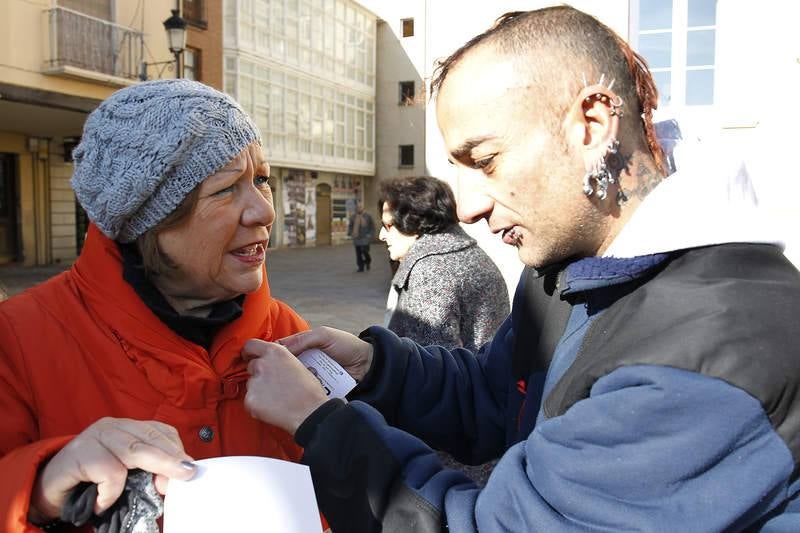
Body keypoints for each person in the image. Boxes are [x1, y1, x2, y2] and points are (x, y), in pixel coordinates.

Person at [240, 7, 800, 533]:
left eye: (485, 161)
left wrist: (321, 424)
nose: (467, 207)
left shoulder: (711, 351)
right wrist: (376, 367)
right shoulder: (575, 259)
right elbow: (497, 393)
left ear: (594, 123)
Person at [0, 80, 325, 531]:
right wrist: (40, 489)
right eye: (227, 188)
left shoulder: (287, 332)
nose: (264, 212)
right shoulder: (18, 340)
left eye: (262, 180)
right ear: (149, 222)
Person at [379, 176, 508, 353]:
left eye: (388, 225)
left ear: (415, 221)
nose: (381, 235)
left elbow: (431, 368)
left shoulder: (431, 272)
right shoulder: (465, 253)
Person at [347, 200, 375, 272]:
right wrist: (351, 233)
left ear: (363, 208)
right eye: (357, 207)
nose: (359, 208)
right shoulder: (353, 217)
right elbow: (350, 226)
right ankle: (360, 267)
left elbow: (372, 226)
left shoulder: (368, 216)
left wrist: (370, 234)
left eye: (360, 207)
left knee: (365, 251)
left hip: (365, 237)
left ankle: (368, 261)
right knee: (358, 253)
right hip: (357, 237)